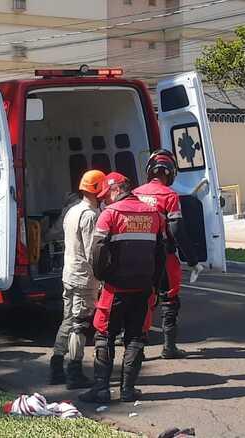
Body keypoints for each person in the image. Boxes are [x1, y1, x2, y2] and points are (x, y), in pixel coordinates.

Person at [79, 172, 165, 404]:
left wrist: (101, 275)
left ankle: (101, 389)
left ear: (117, 189)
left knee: (104, 335)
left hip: (115, 288)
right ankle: (128, 390)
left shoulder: (110, 214)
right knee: (136, 337)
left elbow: (98, 250)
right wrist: (155, 285)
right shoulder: (153, 214)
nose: (105, 200)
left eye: (107, 195)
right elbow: (160, 254)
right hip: (143, 287)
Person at [133, 149, 200, 359]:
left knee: (142, 299)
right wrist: (192, 258)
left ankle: (138, 347)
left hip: (138, 257)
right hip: (164, 255)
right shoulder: (169, 195)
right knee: (170, 300)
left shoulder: (135, 193)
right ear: (170, 172)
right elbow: (176, 229)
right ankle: (169, 347)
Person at [49, 169, 106, 389]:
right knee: (80, 325)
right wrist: (101, 277)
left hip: (69, 273)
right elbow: (93, 251)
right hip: (84, 278)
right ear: (97, 189)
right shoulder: (91, 215)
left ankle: (56, 366)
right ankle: (74, 371)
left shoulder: (72, 211)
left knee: (68, 320)